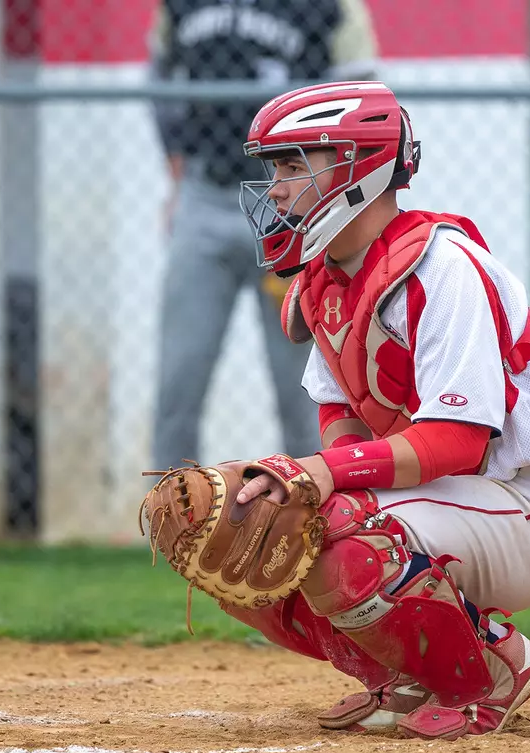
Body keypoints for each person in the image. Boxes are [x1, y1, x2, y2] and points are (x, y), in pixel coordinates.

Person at [222, 81, 530, 740]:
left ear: (357, 169)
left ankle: (496, 665)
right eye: (273, 168)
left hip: (525, 503)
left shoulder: (441, 269)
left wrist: (324, 475)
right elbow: (344, 419)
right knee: (238, 529)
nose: (275, 188)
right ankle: (402, 674)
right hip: (442, 504)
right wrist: (313, 476)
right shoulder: (326, 281)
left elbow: (459, 443)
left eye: (294, 165)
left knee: (336, 528)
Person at [148, 0, 379, 469]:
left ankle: (317, 524)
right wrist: (175, 161)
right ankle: (170, 525)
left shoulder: (334, 7)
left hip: (291, 207)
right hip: (205, 195)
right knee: (179, 378)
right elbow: (160, 74)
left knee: (305, 387)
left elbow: (363, 97)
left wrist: (327, 195)